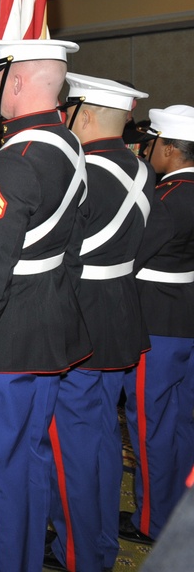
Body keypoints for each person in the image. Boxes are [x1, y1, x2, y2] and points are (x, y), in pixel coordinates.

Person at [0, 39, 91, 572]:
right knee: (31, 461)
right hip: (51, 329)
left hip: (4, 342)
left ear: (15, 81)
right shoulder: (69, 146)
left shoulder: (17, 162)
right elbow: (71, 248)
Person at [46, 74, 154, 572]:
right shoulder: (141, 166)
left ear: (83, 114)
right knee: (103, 441)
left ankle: (78, 555)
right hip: (119, 311)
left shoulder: (85, 172)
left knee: (72, 447)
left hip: (81, 316)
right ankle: (101, 540)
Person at [122, 105, 194, 546]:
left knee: (151, 425)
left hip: (156, 323)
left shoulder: (167, 200)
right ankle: (178, 509)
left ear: (169, 148)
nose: (150, 152)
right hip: (186, 315)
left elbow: (128, 258)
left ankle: (152, 520)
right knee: (184, 423)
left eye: (154, 145)